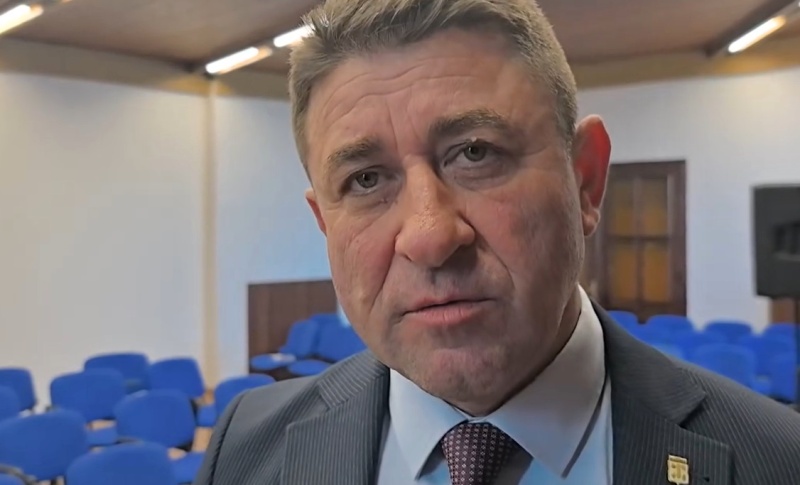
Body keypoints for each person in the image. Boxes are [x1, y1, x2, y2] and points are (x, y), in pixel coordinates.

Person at [194, 1, 800, 484]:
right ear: (325, 224)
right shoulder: (245, 451)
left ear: (585, 179)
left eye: (475, 153)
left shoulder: (777, 461)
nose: (430, 237)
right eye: (367, 180)